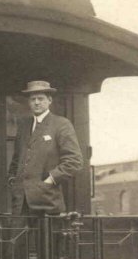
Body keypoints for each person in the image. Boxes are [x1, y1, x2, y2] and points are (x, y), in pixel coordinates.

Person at [7, 81, 83, 215]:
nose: (36, 102)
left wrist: (50, 180)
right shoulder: (24, 126)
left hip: (47, 203)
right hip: (20, 204)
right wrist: (13, 180)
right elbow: (17, 158)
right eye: (32, 99)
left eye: (40, 98)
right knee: (20, 236)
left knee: (45, 236)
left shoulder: (61, 124)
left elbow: (74, 161)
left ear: (49, 100)